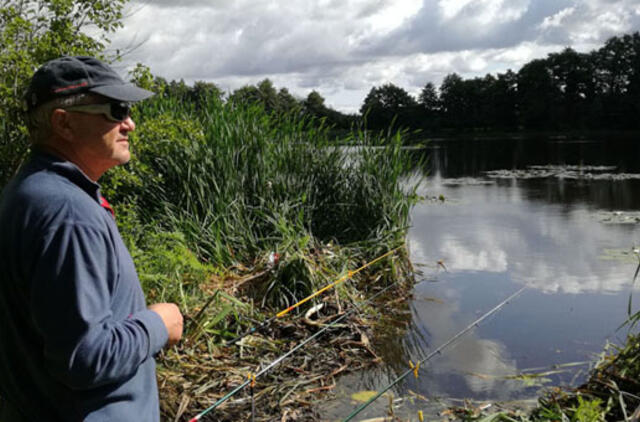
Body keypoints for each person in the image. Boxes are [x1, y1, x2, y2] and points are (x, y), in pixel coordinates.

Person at [0, 56, 184, 421]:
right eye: (115, 110)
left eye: (128, 110)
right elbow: (84, 359)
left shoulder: (30, 192)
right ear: (64, 122)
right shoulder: (67, 214)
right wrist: (158, 324)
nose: (129, 123)